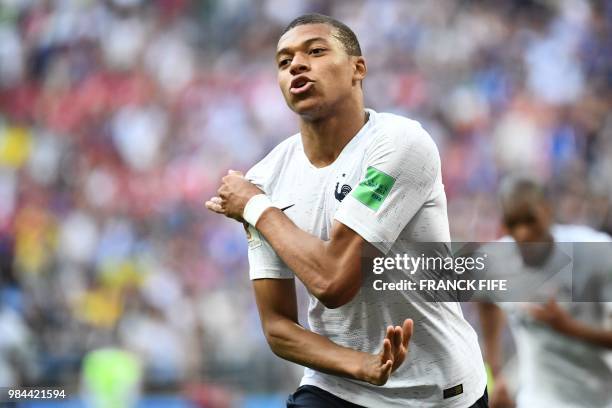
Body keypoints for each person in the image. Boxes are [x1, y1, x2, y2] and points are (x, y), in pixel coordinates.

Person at [206, 13, 487, 407]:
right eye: (284, 62)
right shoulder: (266, 179)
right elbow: (278, 327)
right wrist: (360, 365)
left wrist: (254, 207)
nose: (297, 65)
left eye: (316, 51)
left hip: (437, 390)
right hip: (336, 385)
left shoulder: (400, 145)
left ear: (358, 68)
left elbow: (334, 282)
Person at [477, 177, 612, 408]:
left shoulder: (594, 252)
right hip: (536, 400)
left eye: (530, 220)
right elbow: (485, 300)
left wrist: (568, 327)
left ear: (548, 211)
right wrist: (495, 372)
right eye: (513, 223)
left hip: (597, 399)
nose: (523, 233)